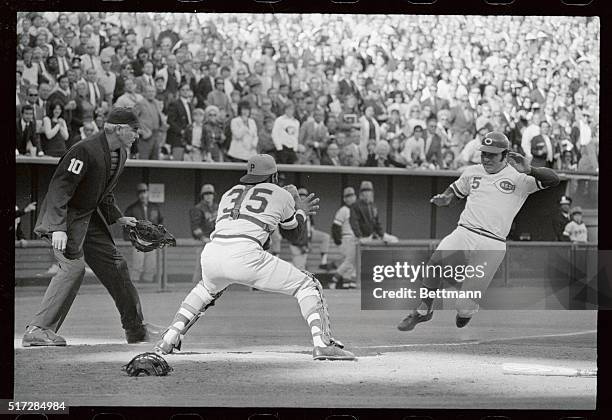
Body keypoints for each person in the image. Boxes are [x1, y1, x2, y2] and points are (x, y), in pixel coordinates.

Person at [153, 154, 356, 361]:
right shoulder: (280, 193)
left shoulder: (228, 193)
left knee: (205, 290)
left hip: (213, 252)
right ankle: (322, 343)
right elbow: (296, 236)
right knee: (308, 285)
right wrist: (299, 209)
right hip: (245, 253)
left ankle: (169, 338)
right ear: (274, 176)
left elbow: (250, 231)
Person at [22, 108, 161, 347]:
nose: (138, 134)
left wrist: (117, 218)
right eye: (134, 129)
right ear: (118, 129)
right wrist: (57, 227)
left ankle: (136, 330)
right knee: (73, 269)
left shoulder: (121, 153)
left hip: (88, 219)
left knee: (117, 266)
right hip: (65, 219)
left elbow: (103, 192)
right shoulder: (84, 149)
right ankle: (38, 329)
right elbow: (60, 188)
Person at [397, 132, 560, 331]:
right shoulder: (473, 171)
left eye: (492, 154)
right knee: (435, 263)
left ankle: (467, 311)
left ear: (505, 154)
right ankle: (424, 311)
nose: (486, 158)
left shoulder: (520, 177)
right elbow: (455, 191)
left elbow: (554, 179)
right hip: (465, 231)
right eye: (484, 153)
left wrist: (531, 169)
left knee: (463, 307)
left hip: (493, 242)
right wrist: (446, 198)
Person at [123, 183, 164, 283]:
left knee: (150, 265)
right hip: (138, 241)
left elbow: (161, 222)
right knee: (137, 265)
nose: (143, 194)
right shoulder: (132, 208)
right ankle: (135, 285)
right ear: (138, 195)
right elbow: (126, 226)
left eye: (144, 192)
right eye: (140, 192)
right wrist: (132, 239)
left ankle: (148, 286)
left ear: (148, 193)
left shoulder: (155, 207)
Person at [189, 184, 219, 284]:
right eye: (206, 194)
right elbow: (195, 227)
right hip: (202, 242)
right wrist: (203, 238)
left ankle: (212, 287)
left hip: (215, 242)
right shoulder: (197, 208)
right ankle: (195, 286)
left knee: (215, 266)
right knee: (200, 265)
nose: (208, 196)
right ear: (202, 195)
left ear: (213, 195)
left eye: (210, 193)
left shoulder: (217, 207)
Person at [330, 187, 358, 289]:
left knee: (351, 264)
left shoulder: (356, 210)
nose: (351, 198)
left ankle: (347, 285)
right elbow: (335, 226)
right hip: (346, 238)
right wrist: (338, 241)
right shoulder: (344, 210)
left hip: (354, 239)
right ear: (344, 199)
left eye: (352, 195)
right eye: (348, 196)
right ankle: (334, 280)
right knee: (349, 262)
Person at [133, 84, 166, 160]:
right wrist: (140, 131)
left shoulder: (157, 103)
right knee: (144, 160)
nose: (151, 93)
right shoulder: (140, 103)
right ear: (144, 93)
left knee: (155, 160)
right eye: (149, 91)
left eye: (153, 91)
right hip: (145, 137)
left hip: (156, 135)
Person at [166, 83, 194, 161]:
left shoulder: (190, 104)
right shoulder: (175, 104)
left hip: (189, 138)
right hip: (177, 138)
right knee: (177, 161)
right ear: (179, 91)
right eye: (183, 90)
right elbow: (170, 121)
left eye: (187, 90)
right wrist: (181, 131)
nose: (185, 92)